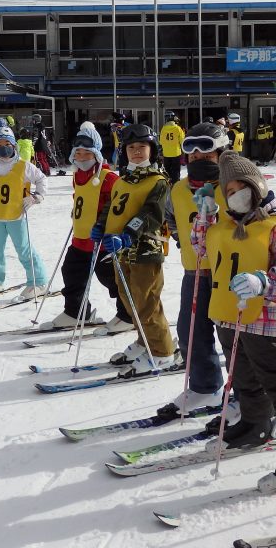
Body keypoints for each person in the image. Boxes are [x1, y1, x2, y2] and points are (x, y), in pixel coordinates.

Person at [193, 151, 276, 490]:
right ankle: (255, 423)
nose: (235, 193)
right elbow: (201, 250)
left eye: (242, 186)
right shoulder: (225, 219)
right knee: (242, 377)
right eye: (229, 189)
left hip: (264, 319)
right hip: (227, 312)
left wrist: (265, 282)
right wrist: (204, 216)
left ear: (258, 185)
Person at [91, 124, 175, 376]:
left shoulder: (158, 182)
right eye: (131, 148)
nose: (136, 152)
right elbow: (112, 207)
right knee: (129, 302)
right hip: (120, 251)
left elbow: (151, 214)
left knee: (147, 303)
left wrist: (127, 234)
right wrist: (100, 225)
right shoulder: (122, 181)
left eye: (142, 147)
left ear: (152, 150)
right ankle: (144, 341)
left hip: (144, 250)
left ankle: (162, 352)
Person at [162, 122, 231, 415]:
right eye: (193, 157)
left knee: (232, 336)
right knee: (191, 332)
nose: (199, 161)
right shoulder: (178, 189)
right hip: (195, 271)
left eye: (207, 156)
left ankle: (249, 394)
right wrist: (183, 241)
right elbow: (172, 218)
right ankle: (204, 386)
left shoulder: (233, 185)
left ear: (222, 155)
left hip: (230, 273)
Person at [44, 122, 132, 332]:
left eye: (87, 154)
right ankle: (76, 312)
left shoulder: (109, 178)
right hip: (80, 238)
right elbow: (80, 198)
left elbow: (119, 206)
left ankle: (127, 315)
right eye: (79, 154)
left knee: (111, 280)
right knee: (72, 274)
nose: (82, 158)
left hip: (102, 242)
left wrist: (111, 229)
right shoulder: (77, 176)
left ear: (96, 155)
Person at [0, 125, 48, 301]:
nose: (2, 147)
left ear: (13, 145)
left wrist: (36, 197)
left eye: (6, 143)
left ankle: (38, 281)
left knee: (24, 250)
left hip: (16, 215)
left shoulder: (23, 166)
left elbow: (42, 179)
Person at [159, 111, 185, 184]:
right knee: (176, 170)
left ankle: (168, 182)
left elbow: (160, 141)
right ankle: (176, 183)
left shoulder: (163, 129)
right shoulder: (178, 128)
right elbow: (182, 141)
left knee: (167, 169)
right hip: (176, 153)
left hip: (166, 153)